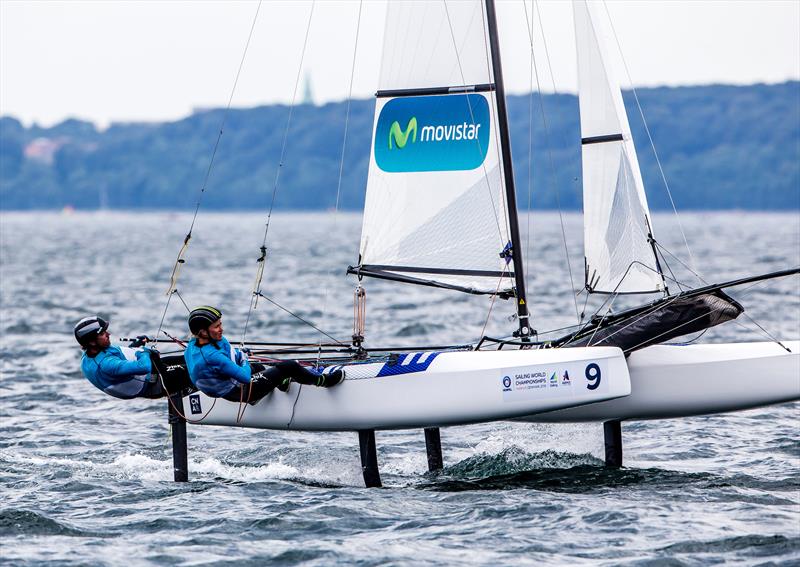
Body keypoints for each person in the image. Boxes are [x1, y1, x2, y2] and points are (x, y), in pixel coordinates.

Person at [183, 306, 344, 404]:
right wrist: (244, 359)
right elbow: (245, 377)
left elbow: (228, 352)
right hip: (242, 392)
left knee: (258, 367)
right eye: (216, 326)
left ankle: (282, 383)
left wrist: (239, 356)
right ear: (203, 331)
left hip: (225, 389)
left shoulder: (192, 346)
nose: (221, 329)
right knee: (289, 366)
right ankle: (324, 381)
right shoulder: (212, 356)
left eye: (221, 324)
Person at [75, 316, 192, 399]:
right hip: (156, 384)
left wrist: (135, 346)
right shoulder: (105, 364)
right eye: (102, 333)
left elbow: (122, 364)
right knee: (197, 367)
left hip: (152, 372)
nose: (108, 334)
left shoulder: (92, 353)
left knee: (189, 357)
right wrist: (143, 351)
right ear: (91, 342)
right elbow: (144, 366)